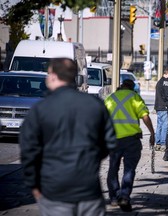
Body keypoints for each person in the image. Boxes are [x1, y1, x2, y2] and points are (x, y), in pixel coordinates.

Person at [20, 58, 117, 216]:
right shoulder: (95, 105)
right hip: (88, 188)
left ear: (52, 76)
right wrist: (90, 157)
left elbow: (28, 151)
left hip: (54, 189)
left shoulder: (40, 109)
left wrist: (34, 185)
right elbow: (110, 143)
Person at [104, 79, 155, 212]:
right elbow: (145, 117)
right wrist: (152, 133)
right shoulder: (135, 97)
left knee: (113, 167)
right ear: (132, 87)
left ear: (120, 87)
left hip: (113, 139)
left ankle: (114, 197)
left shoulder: (110, 97)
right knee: (129, 169)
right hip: (131, 140)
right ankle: (125, 196)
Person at [154, 67, 168, 152]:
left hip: (158, 107)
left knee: (159, 126)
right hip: (164, 107)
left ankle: (157, 143)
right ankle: (163, 144)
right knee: (165, 126)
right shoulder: (164, 83)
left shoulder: (159, 82)